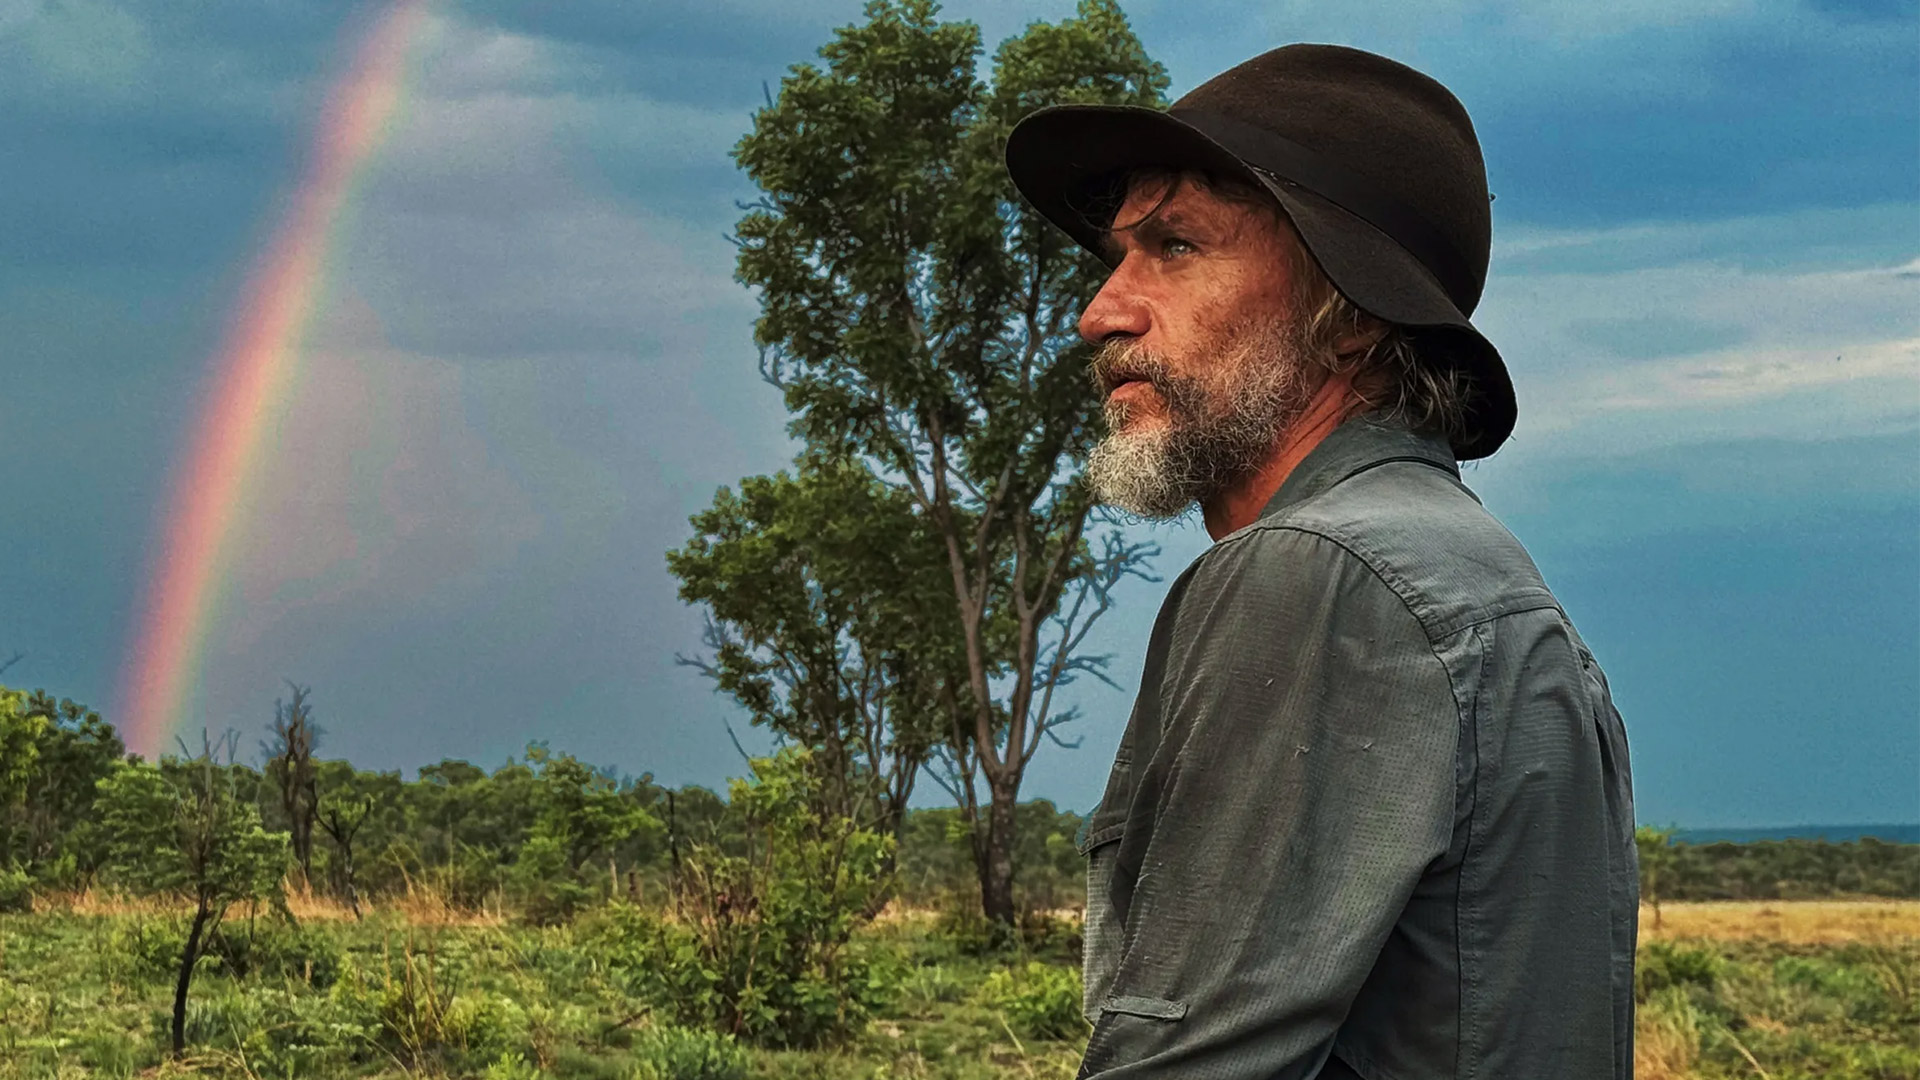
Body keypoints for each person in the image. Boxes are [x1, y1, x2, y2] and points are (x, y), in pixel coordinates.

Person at [1003, 44, 1638, 1079]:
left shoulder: (1320, 570)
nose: (1100, 314)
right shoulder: (1473, 571)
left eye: (1175, 246)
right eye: (1115, 257)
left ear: (1348, 319)